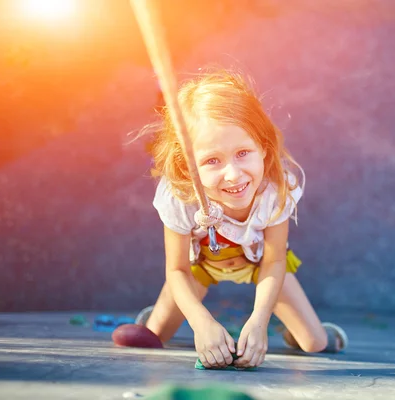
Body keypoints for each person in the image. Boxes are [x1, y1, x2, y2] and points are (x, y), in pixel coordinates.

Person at [136, 69, 348, 369]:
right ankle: (159, 314)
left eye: (243, 153)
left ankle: (299, 331)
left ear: (262, 146)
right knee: (155, 335)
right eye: (212, 160)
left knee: (315, 344)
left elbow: (274, 262)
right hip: (201, 266)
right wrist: (202, 323)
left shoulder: (277, 189)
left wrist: (260, 322)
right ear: (188, 166)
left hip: (259, 264)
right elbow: (177, 269)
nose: (233, 175)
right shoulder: (179, 197)